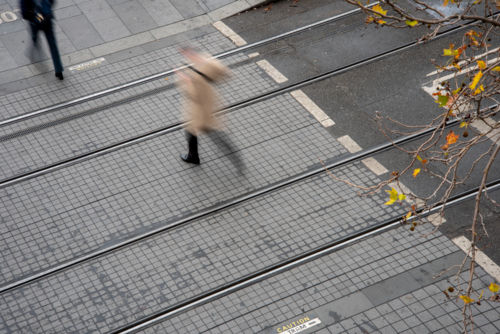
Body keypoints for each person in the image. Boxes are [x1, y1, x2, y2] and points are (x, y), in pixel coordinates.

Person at [176, 47, 244, 172]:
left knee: (211, 134)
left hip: (200, 110)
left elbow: (195, 95)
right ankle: (193, 156)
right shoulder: (193, 64)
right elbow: (223, 72)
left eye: (188, 52)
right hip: (208, 106)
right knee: (193, 131)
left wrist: (187, 82)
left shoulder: (198, 64)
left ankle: (235, 158)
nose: (188, 55)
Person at [20, 0, 64, 80]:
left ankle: (33, 50)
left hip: (35, 20)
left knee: (34, 37)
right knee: (52, 44)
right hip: (47, 18)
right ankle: (59, 70)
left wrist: (29, 16)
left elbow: (24, 8)